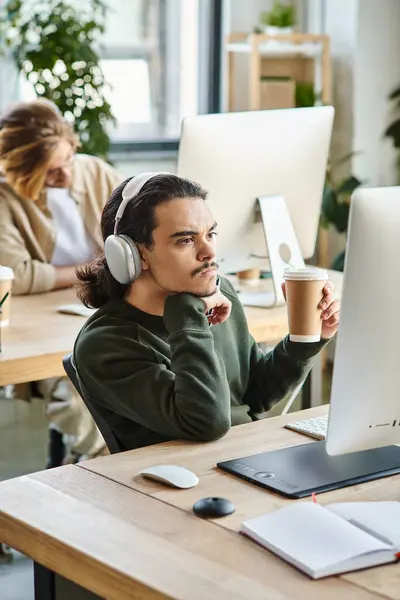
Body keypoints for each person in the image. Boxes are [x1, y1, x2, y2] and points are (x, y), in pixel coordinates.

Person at [74, 173, 340, 451]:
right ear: (133, 254)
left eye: (210, 234)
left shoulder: (215, 293)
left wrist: (306, 341)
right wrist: (187, 314)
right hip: (183, 485)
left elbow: (254, 393)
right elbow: (206, 422)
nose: (210, 251)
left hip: (245, 457)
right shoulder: (105, 346)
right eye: (186, 240)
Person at [0, 99, 122, 465]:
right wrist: (97, 269)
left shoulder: (96, 173)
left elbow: (139, 239)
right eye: (51, 173)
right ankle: (106, 463)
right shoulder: (6, 197)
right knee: (76, 381)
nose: (66, 176)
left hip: (106, 308)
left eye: (68, 160)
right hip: (46, 322)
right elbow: (17, 275)